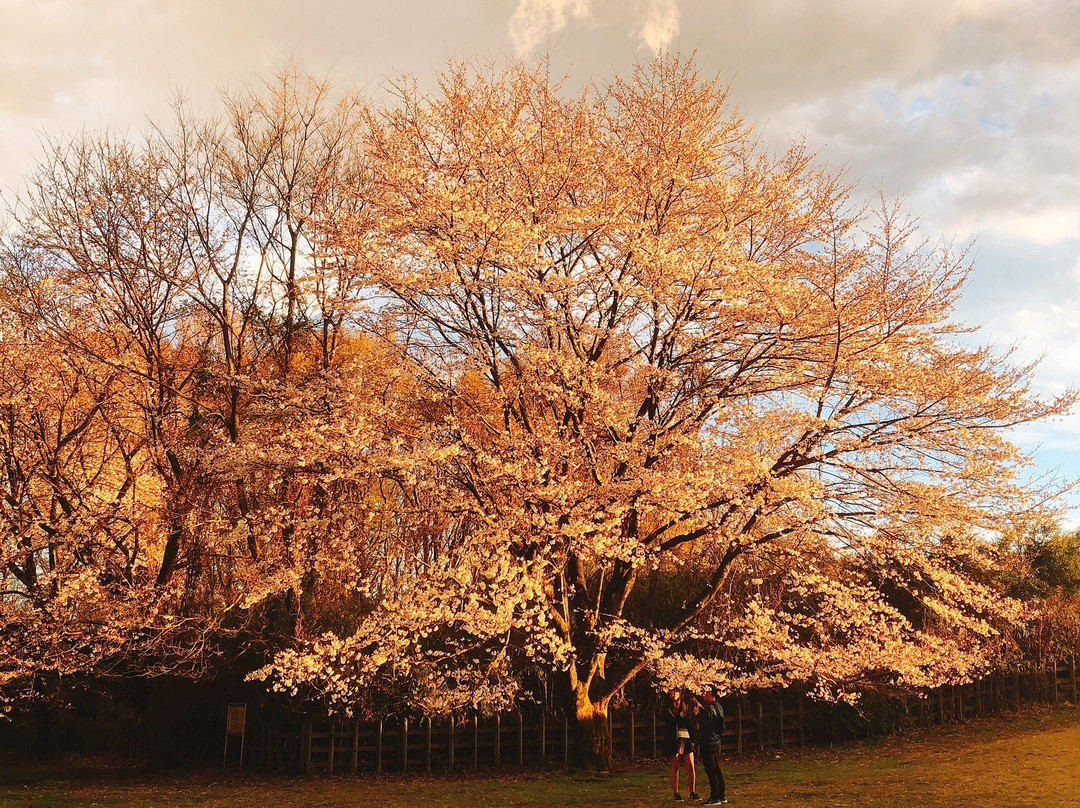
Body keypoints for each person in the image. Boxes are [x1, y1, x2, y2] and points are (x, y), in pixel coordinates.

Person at [662, 688, 699, 801]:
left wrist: (694, 712)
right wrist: (682, 714)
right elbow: (672, 720)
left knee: (691, 766)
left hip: (686, 737)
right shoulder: (667, 707)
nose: (673, 694)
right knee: (675, 766)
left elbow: (690, 721)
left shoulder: (685, 705)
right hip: (674, 738)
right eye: (671, 692)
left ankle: (692, 791)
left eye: (675, 692)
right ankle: (676, 793)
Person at [696, 689, 727, 805]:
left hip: (708, 741)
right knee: (716, 767)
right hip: (715, 740)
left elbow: (704, 723)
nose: (704, 695)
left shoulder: (710, 708)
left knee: (710, 769)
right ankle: (721, 794)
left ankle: (715, 796)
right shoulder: (718, 706)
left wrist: (697, 713)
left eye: (705, 693)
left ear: (710, 694)